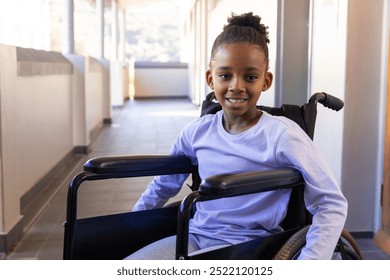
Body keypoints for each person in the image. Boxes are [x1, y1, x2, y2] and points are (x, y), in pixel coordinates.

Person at [125, 12, 348, 260]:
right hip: (194, 238)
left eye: (250, 77)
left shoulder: (282, 135)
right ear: (211, 78)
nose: (236, 86)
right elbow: (162, 185)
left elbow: (331, 203)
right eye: (225, 75)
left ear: (266, 81)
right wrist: (129, 228)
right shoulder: (197, 132)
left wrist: (310, 262)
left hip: (253, 246)